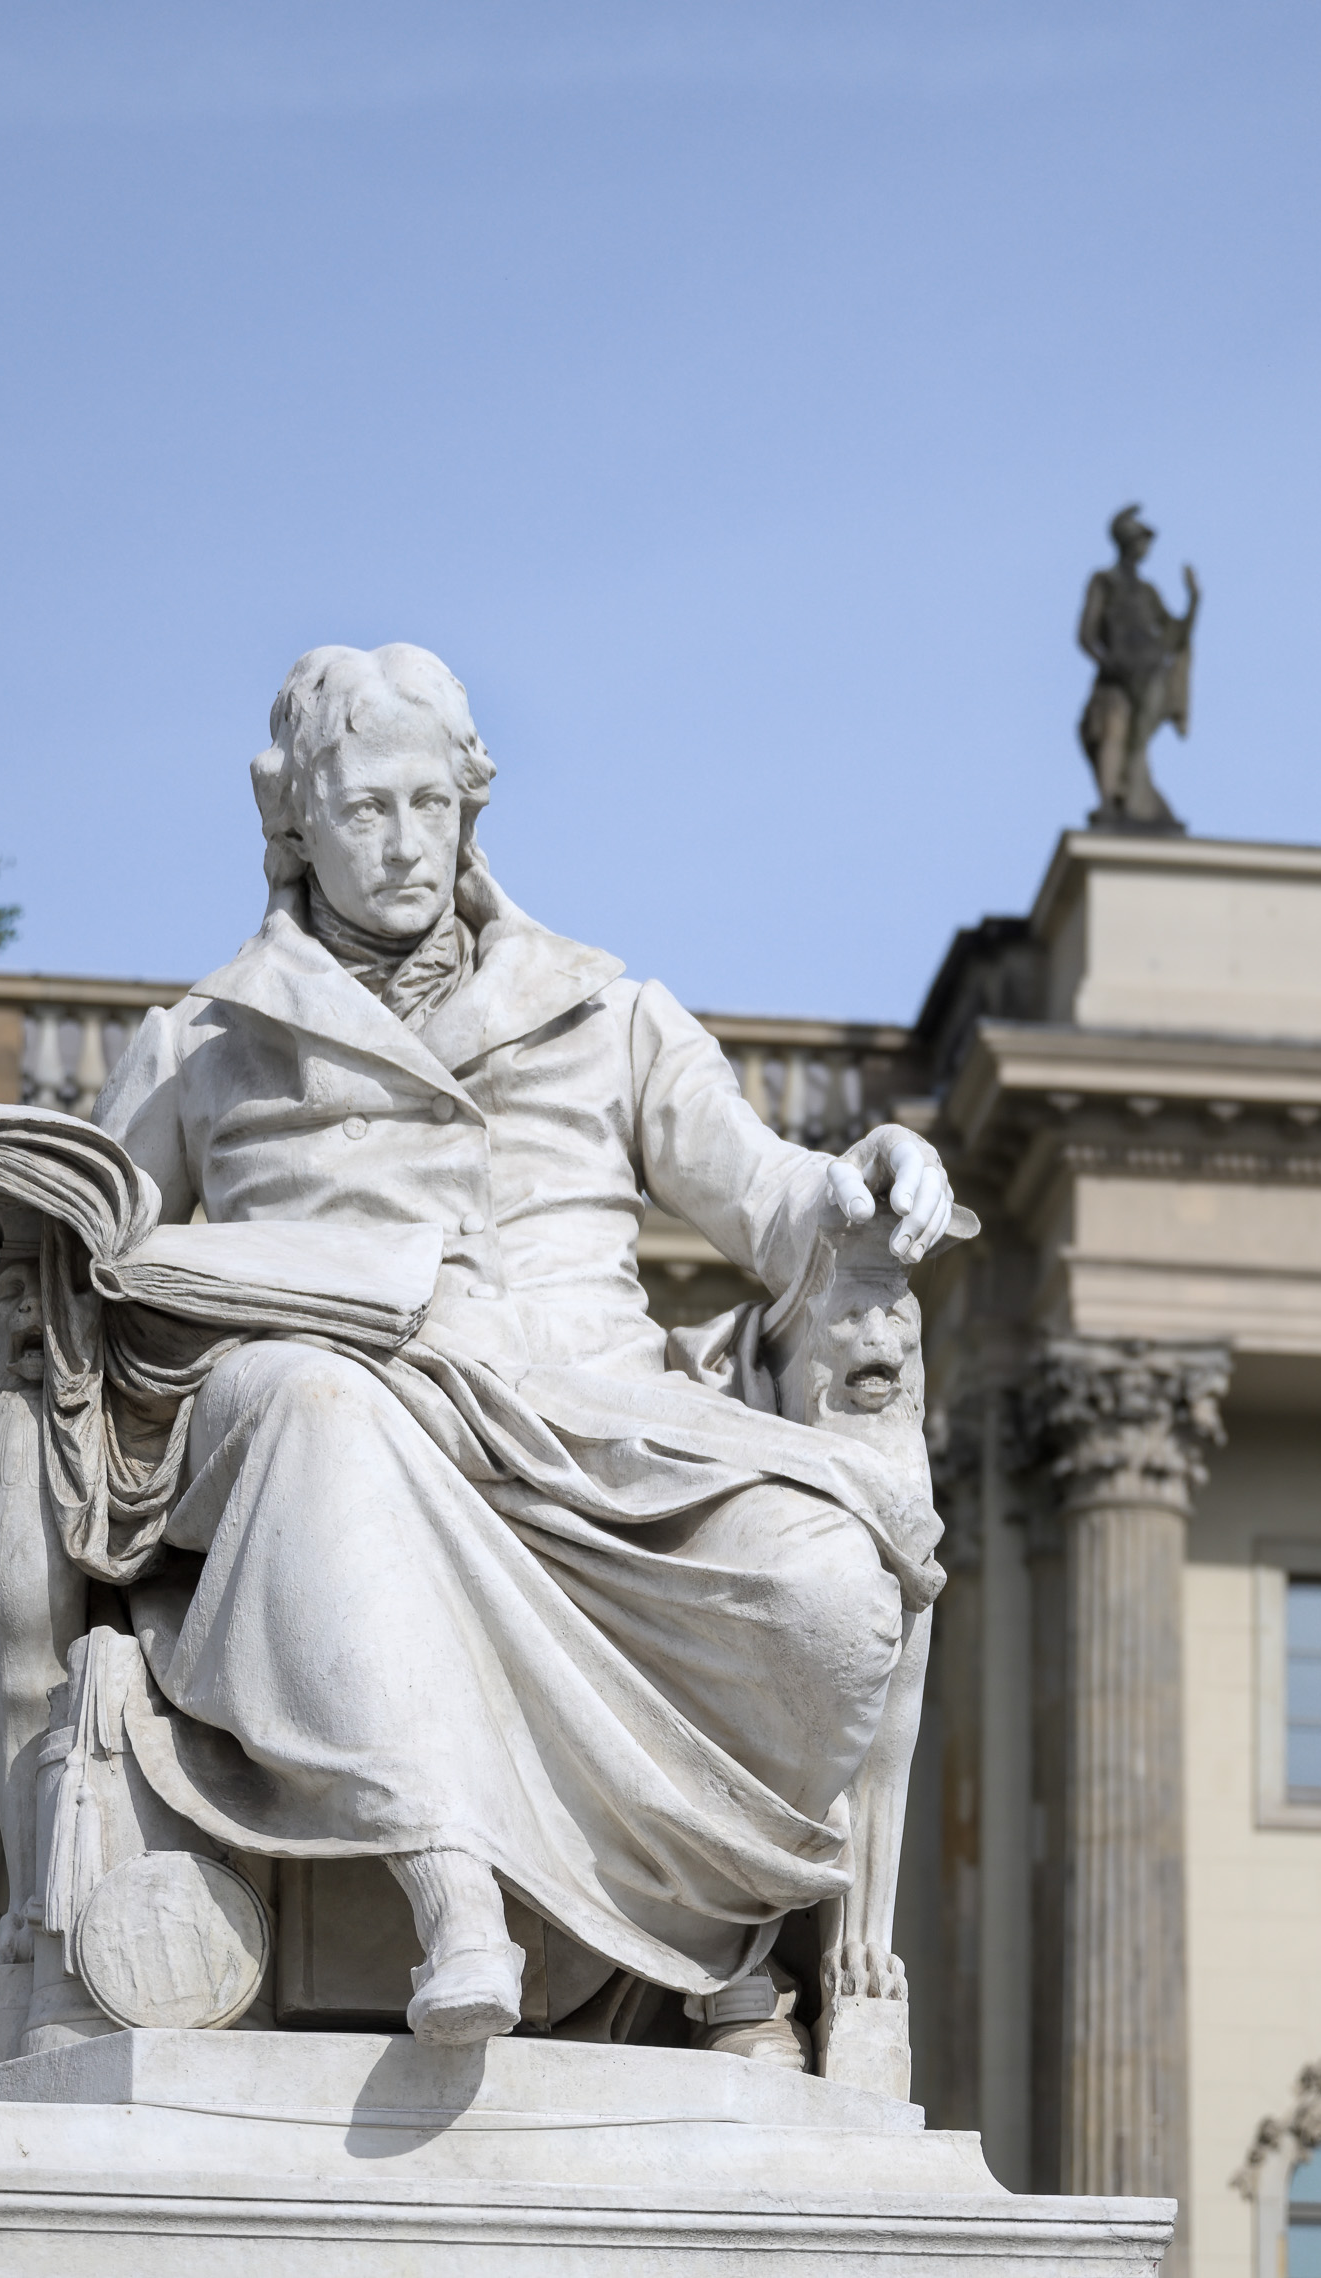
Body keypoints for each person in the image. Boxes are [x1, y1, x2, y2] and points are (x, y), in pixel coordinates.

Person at [63, 644, 955, 2051]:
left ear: (473, 804)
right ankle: (450, 1886)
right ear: (294, 820)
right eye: (367, 810)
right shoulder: (202, 1045)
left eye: (433, 803)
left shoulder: (606, 1011)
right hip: (339, 1408)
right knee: (310, 1403)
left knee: (830, 1581)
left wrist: (867, 1175)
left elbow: (774, 1196)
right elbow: (89, 1260)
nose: (408, 843)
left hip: (596, 1424)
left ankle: (716, 1943)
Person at [1077, 504, 1198, 831]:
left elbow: (1175, 635)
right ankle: (1113, 802)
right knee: (1113, 732)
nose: (1145, 548)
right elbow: (1086, 634)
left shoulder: (1148, 592)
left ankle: (1132, 797)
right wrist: (1108, 663)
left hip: (1150, 673)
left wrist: (1194, 601)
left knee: (1137, 740)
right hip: (1117, 678)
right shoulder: (1105, 582)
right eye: (1141, 540)